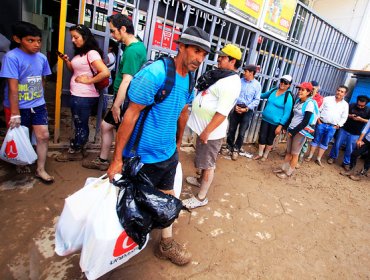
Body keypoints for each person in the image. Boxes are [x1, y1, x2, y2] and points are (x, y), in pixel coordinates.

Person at [106, 26, 211, 266]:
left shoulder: (189, 79)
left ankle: (166, 244)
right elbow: (130, 116)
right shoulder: (155, 74)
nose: (199, 58)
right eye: (196, 51)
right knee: (132, 205)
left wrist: (177, 142)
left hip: (167, 154)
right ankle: (115, 252)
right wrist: (117, 159)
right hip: (142, 157)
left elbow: (183, 111)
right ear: (181, 46)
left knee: (167, 197)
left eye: (204, 54)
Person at [83, 14, 147, 171]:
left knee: (121, 133)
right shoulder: (136, 46)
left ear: (123, 29)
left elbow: (127, 80)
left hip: (125, 99)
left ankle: (119, 165)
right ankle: (105, 160)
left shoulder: (132, 51)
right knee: (107, 127)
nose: (111, 35)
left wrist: (117, 105)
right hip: (126, 98)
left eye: (113, 31)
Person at [182, 44, 242, 208]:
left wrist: (207, 132)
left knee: (208, 164)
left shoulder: (231, 82)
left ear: (232, 61)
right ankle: (200, 179)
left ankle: (201, 198)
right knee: (202, 157)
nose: (219, 59)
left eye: (223, 57)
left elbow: (222, 113)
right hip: (204, 129)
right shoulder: (221, 76)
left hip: (211, 132)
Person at [0, 21, 54, 182]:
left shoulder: (42, 58)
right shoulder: (12, 57)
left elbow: (43, 80)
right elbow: (12, 88)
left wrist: (40, 98)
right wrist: (15, 113)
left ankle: (40, 169)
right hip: (17, 107)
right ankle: (20, 161)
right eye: (31, 40)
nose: (36, 44)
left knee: (43, 136)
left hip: (38, 105)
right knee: (19, 136)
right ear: (18, 39)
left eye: (39, 41)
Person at [56, 24, 110, 162]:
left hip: (84, 96)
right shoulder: (81, 54)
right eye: (72, 37)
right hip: (78, 95)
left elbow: (105, 72)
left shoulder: (92, 53)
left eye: (76, 37)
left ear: (85, 37)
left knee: (80, 124)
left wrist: (89, 81)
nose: (73, 40)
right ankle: (80, 147)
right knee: (79, 122)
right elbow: (76, 70)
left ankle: (76, 150)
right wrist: (67, 61)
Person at [274, 82, 318, 179]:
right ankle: (283, 169)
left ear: (308, 92)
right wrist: (286, 127)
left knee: (295, 154)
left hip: (300, 132)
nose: (300, 91)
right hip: (292, 129)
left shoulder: (309, 104)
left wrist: (293, 132)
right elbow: (292, 115)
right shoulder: (298, 101)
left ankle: (288, 173)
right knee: (288, 152)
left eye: (303, 90)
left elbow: (305, 121)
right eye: (299, 89)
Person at [224, 64, 261, 161]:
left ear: (252, 73)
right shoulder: (239, 82)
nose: (244, 73)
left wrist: (246, 108)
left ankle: (236, 148)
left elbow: (256, 100)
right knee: (231, 129)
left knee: (242, 132)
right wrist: (235, 105)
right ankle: (229, 146)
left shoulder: (257, 85)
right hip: (236, 108)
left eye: (246, 71)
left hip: (247, 110)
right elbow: (234, 94)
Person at [305, 85, 349, 166]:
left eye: (342, 92)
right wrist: (318, 121)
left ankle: (318, 159)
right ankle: (310, 156)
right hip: (321, 123)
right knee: (315, 140)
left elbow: (344, 117)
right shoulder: (327, 99)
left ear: (345, 94)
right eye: (338, 90)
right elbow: (318, 110)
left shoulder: (345, 105)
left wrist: (337, 125)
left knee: (325, 143)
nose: (339, 92)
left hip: (332, 127)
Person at [253, 74, 294, 161]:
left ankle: (265, 155)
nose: (282, 83)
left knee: (270, 139)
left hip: (275, 123)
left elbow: (287, 113)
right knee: (262, 136)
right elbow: (263, 95)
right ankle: (260, 154)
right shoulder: (274, 90)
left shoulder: (288, 97)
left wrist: (280, 125)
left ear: (289, 85)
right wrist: (253, 93)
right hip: (265, 119)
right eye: (282, 81)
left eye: (285, 82)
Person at [327, 95, 370, 170]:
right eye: (358, 104)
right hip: (344, 129)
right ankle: (332, 157)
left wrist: (361, 119)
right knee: (337, 144)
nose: (359, 106)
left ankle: (346, 162)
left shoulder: (368, 110)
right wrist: (350, 116)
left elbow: (368, 121)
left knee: (350, 148)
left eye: (362, 106)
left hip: (356, 133)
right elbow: (343, 114)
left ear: (366, 104)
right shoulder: (351, 105)